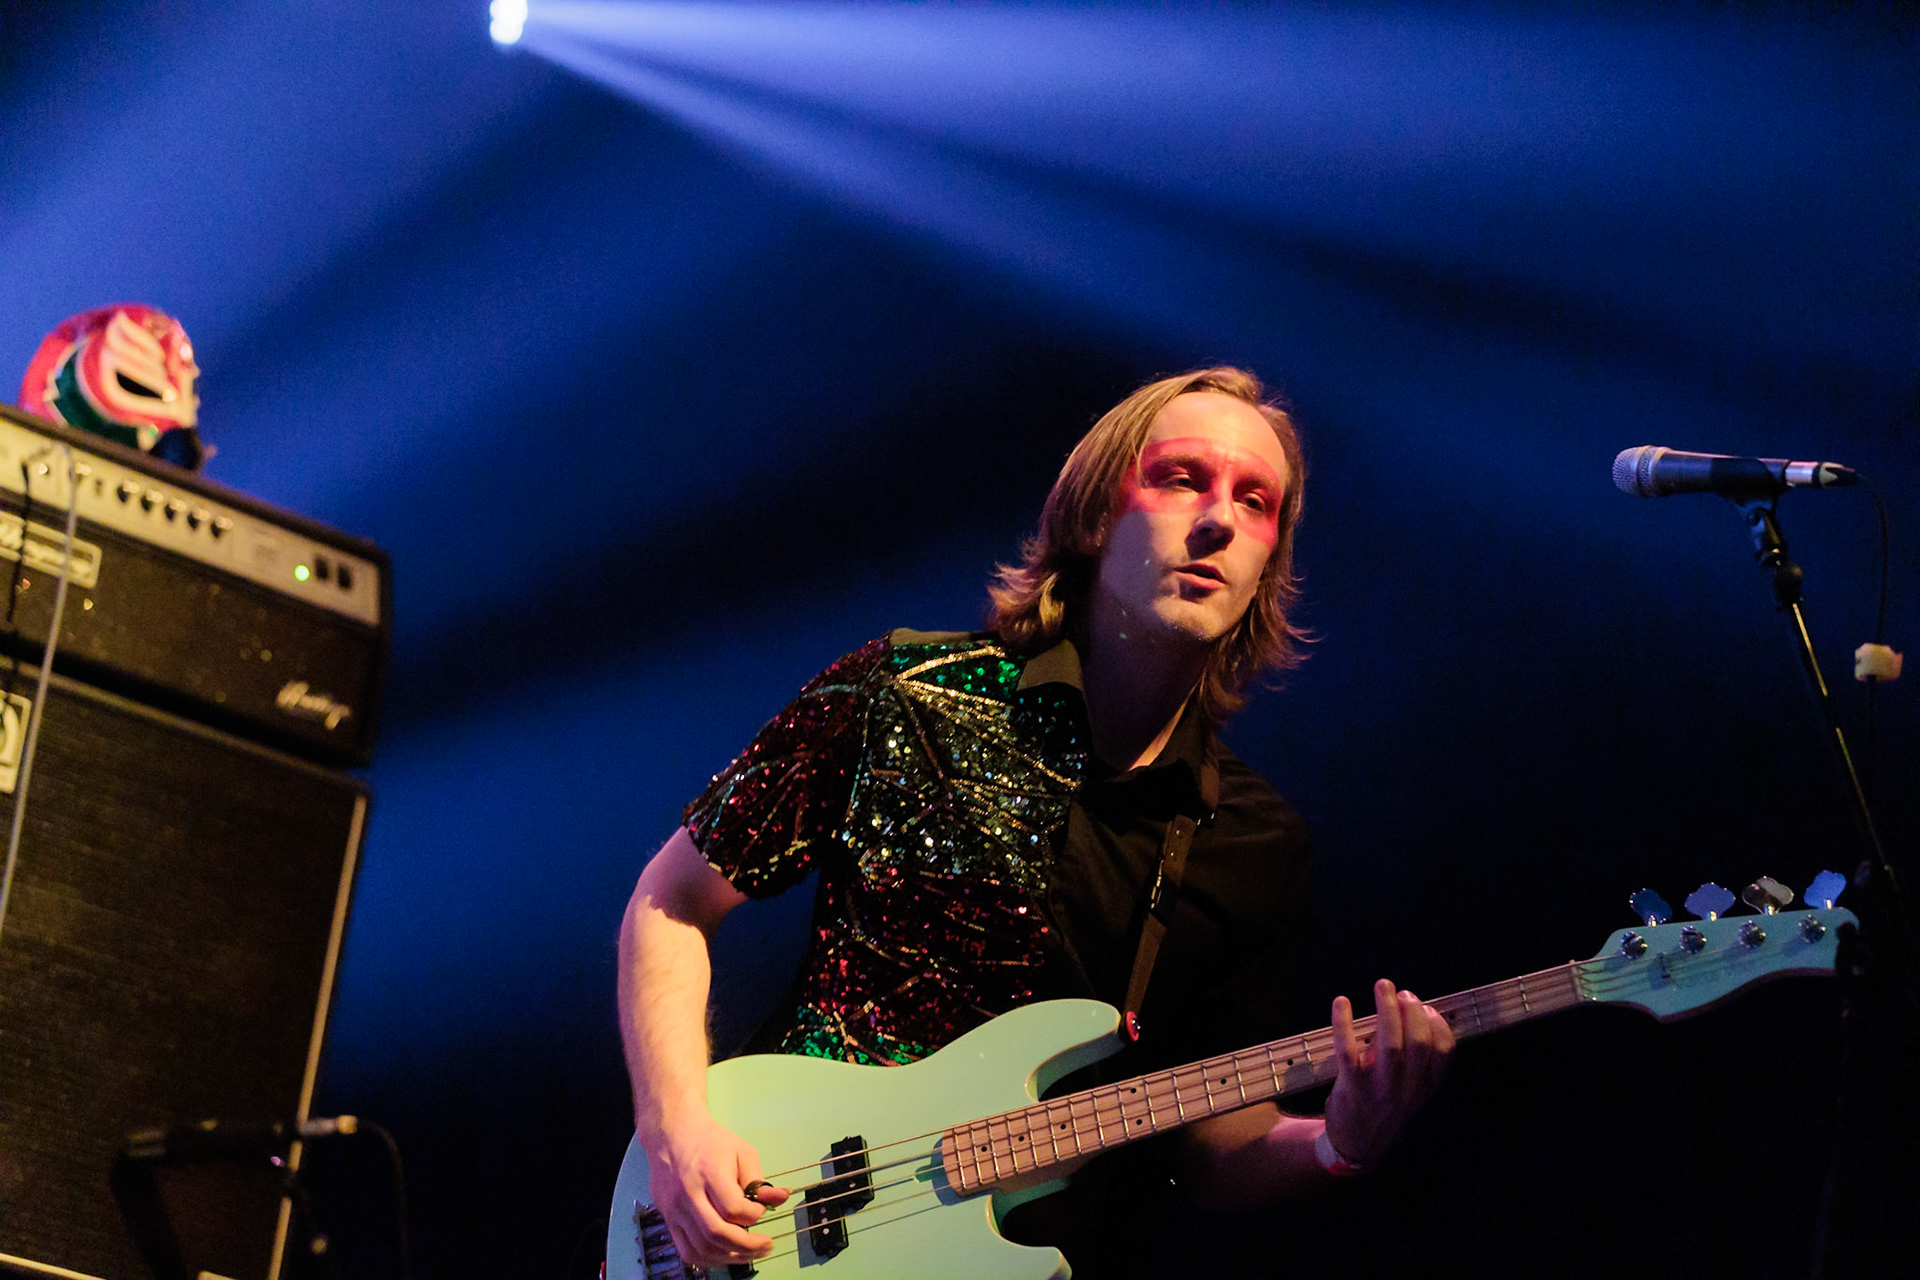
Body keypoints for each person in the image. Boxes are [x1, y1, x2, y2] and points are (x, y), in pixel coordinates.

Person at [617, 366, 1454, 1275]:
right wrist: (676, 1130)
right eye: (1182, 478)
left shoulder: (1253, 842)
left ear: (1267, 568)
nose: (1218, 518)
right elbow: (673, 900)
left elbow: (1209, 1147)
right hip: (771, 1221)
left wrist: (1342, 1141)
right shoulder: (910, 696)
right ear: (1097, 513)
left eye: (1256, 502)